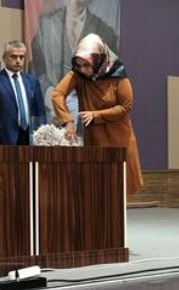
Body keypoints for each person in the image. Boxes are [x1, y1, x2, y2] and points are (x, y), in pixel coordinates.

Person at [52, 34, 143, 196]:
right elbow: (57, 94)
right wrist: (68, 121)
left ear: (99, 60)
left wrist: (96, 115)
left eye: (87, 65)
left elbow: (125, 107)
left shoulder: (118, 74)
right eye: (79, 65)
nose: (82, 69)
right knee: (96, 190)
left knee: (117, 190)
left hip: (119, 139)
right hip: (95, 141)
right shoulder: (78, 74)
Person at [32, 0, 118, 124]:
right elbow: (37, 68)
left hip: (89, 119)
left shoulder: (106, 33)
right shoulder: (45, 25)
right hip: (51, 118)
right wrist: (50, 96)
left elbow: (110, 79)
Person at [0, 40, 46, 146]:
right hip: (5, 137)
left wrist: (42, 135)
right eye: (13, 57)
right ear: (4, 57)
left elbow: (40, 111)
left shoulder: (32, 81)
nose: (18, 60)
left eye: (21, 57)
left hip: (30, 135)